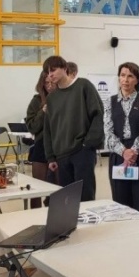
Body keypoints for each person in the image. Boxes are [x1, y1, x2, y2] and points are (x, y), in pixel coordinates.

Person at [43, 55, 105, 202]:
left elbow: (98, 114)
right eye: (47, 72)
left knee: (85, 196)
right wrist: (50, 157)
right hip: (61, 155)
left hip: (82, 151)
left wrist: (88, 143)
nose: (50, 75)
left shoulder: (83, 86)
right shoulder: (52, 98)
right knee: (68, 200)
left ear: (64, 68)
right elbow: (48, 129)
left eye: (53, 70)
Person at [104, 62, 139, 215]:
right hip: (118, 157)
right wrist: (124, 152)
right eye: (122, 75)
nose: (125, 80)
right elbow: (108, 132)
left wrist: (133, 151)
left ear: (137, 80)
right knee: (120, 205)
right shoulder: (109, 102)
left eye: (130, 76)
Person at [25, 71, 55, 208]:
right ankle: (34, 214)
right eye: (46, 83)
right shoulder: (36, 101)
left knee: (57, 188)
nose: (49, 85)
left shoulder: (64, 98)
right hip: (41, 146)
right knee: (36, 188)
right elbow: (32, 127)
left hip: (59, 147)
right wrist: (43, 111)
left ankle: (53, 212)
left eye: (52, 82)